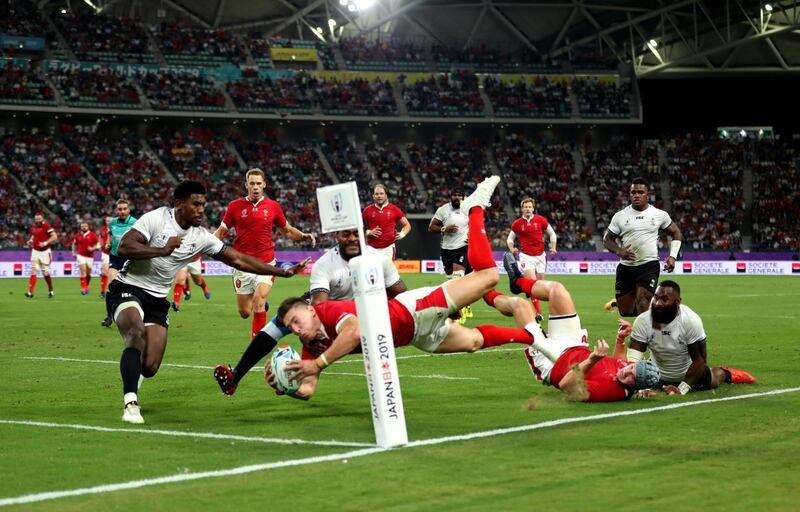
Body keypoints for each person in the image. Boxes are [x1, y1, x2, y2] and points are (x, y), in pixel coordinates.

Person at [273, 176, 539, 400]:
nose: (296, 328)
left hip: (415, 310)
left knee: (490, 276)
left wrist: (317, 364)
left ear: (309, 310)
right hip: (414, 336)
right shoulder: (311, 345)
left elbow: (353, 332)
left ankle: (475, 208)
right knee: (473, 342)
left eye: (296, 320)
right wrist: (284, 383)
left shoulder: (328, 312)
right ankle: (533, 338)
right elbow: (308, 389)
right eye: (291, 327)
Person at [109, 180, 308, 424]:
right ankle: (130, 403)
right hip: (128, 287)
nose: (201, 209)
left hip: (158, 299)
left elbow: (239, 260)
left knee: (149, 366)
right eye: (196, 204)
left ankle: (134, 378)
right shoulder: (157, 218)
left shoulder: (200, 237)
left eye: (203, 204)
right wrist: (161, 251)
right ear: (179, 204)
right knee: (135, 333)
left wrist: (281, 272)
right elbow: (125, 247)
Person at [213, 228, 408, 396]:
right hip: (327, 309)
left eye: (356, 234)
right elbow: (320, 308)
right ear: (336, 236)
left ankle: (290, 378)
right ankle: (236, 376)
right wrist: (309, 338)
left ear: (364, 235)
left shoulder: (379, 260)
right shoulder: (325, 264)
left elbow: (403, 297)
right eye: (345, 234)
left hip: (361, 310)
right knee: (280, 322)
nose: (351, 239)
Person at [501, 257, 662, 402]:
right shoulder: (629, 369)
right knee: (557, 290)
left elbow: (566, 386)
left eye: (630, 378)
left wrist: (592, 360)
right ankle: (517, 282)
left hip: (554, 363)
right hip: (574, 345)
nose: (625, 372)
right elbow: (618, 363)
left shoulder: (608, 392)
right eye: (630, 368)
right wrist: (620, 340)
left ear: (634, 388)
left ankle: (485, 291)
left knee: (519, 305)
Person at [213, 168, 316, 339]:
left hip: (266, 263)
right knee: (245, 312)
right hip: (242, 264)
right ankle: (260, 304)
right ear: (246, 185)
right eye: (252, 183)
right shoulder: (234, 206)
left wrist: (303, 236)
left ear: (264, 185)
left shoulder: (273, 206)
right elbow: (221, 231)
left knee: (258, 301)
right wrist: (205, 243)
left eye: (258, 183)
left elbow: (287, 231)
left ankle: (257, 343)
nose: (255, 187)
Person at [622, 280, 755, 395]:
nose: (657, 303)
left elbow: (700, 360)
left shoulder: (691, 320)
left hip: (690, 373)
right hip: (656, 373)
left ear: (678, 302)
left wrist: (682, 389)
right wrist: (640, 387)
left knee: (713, 380)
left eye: (664, 299)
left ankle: (726, 373)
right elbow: (633, 360)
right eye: (656, 297)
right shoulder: (642, 321)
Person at [602, 177, 683, 317]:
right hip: (626, 267)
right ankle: (650, 306)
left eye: (640, 192)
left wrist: (673, 256)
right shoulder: (620, 216)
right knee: (626, 312)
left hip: (648, 265)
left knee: (643, 300)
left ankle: (644, 336)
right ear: (630, 194)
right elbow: (607, 239)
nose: (636, 195)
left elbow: (676, 233)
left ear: (647, 195)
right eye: (633, 192)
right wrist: (619, 251)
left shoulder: (659, 215)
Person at [506, 197, 557, 322]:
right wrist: (512, 249)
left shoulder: (540, 220)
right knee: (533, 283)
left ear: (533, 208)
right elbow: (510, 239)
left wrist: (553, 247)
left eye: (530, 207)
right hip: (526, 256)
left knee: (538, 286)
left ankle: (522, 284)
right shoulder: (517, 223)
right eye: (525, 207)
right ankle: (538, 312)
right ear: (522, 209)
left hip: (540, 256)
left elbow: (552, 233)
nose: (528, 209)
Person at [429, 190, 472, 324]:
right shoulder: (443, 210)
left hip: (462, 248)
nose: (457, 197)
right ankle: (465, 305)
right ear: (451, 196)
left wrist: (473, 236)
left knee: (457, 279)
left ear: (463, 197)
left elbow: (477, 225)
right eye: (455, 195)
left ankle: (459, 312)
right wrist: (444, 229)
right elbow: (431, 227)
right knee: (450, 282)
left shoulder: (469, 210)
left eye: (459, 195)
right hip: (446, 249)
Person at [102, 200, 137, 327]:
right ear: (117, 210)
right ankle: (109, 316)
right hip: (115, 258)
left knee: (133, 288)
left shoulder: (135, 222)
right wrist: (108, 242)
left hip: (129, 258)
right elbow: (110, 235)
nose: (122, 212)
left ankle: (136, 315)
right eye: (120, 209)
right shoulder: (112, 222)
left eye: (124, 209)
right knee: (111, 285)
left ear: (128, 210)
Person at [362, 183, 411, 261]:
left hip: (388, 248)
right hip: (371, 249)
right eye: (377, 194)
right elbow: (358, 228)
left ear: (386, 195)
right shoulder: (367, 211)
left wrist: (402, 234)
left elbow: (407, 225)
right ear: (373, 196)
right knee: (372, 273)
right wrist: (368, 232)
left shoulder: (394, 209)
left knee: (390, 273)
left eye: (381, 193)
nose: (379, 196)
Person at [25, 213, 58, 299]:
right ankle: (30, 292)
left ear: (42, 219)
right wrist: (31, 240)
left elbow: (54, 236)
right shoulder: (34, 226)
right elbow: (34, 235)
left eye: (39, 219)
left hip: (45, 252)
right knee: (34, 270)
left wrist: (45, 242)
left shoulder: (46, 226)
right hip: (35, 251)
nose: (37, 221)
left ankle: (50, 288)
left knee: (45, 272)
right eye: (36, 219)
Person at [71, 221, 99, 295]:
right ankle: (83, 288)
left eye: (85, 226)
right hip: (80, 255)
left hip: (90, 256)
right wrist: (73, 252)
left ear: (88, 227)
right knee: (83, 272)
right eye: (82, 226)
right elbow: (74, 244)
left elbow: (98, 244)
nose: (84, 227)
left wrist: (93, 248)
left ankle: (87, 286)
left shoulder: (92, 235)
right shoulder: (77, 235)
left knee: (88, 274)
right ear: (80, 227)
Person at [99, 216, 111, 298]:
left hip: (114, 253)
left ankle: (111, 291)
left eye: (110, 220)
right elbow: (100, 237)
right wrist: (100, 245)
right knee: (104, 272)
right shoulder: (102, 229)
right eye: (107, 220)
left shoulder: (115, 228)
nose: (108, 222)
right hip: (105, 253)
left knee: (114, 273)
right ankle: (103, 292)